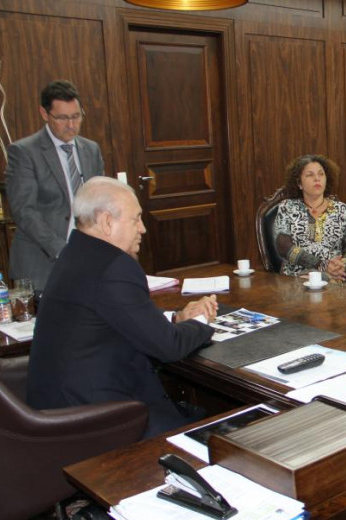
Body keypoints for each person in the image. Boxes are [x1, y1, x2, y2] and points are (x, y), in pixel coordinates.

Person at [27, 176, 218, 438]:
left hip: (59, 409)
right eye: (136, 219)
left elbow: (113, 319)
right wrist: (201, 322)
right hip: (102, 420)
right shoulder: (114, 267)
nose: (143, 228)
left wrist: (177, 319)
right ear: (107, 222)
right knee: (223, 433)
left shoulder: (75, 254)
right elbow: (169, 347)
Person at [5, 80, 104, 292]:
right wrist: (63, 250)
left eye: (76, 116)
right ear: (44, 114)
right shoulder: (24, 152)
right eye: (62, 118)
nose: (71, 125)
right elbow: (24, 211)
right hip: (43, 261)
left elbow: (100, 200)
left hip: (87, 257)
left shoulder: (91, 149)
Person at [275, 154, 346, 281]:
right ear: (299, 183)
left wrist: (344, 266)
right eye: (310, 175)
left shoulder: (342, 210)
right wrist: (321, 265)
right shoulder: (287, 207)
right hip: (298, 278)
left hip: (334, 276)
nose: (317, 179)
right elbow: (283, 246)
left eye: (321, 174)